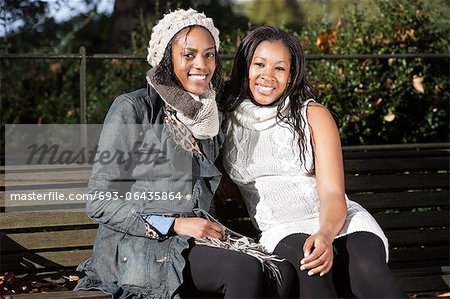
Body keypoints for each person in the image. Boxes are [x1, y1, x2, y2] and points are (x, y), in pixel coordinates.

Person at [74, 9, 267, 299]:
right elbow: (99, 202)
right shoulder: (133, 109)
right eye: (188, 55)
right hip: (140, 249)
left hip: (191, 242)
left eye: (209, 54)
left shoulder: (209, 115)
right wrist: (175, 224)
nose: (201, 65)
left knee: (275, 270)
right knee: (244, 270)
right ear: (167, 58)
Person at [220, 25, 406, 298]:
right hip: (281, 229)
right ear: (245, 66)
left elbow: (332, 192)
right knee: (310, 265)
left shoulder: (313, 115)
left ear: (291, 75)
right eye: (259, 64)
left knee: (367, 265)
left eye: (280, 68)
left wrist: (326, 234)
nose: (267, 76)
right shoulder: (224, 117)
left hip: (337, 220)